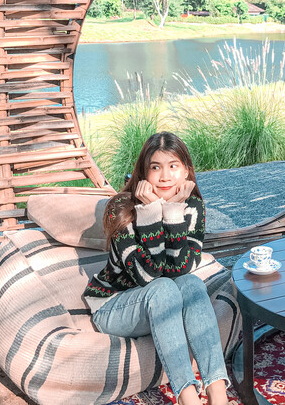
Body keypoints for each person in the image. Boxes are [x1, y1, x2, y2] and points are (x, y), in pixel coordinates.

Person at [84, 132, 229, 405]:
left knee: (192, 284)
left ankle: (218, 393)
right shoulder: (121, 208)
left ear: (186, 171)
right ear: (143, 172)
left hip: (162, 299)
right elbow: (147, 276)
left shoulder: (192, 206)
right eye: (155, 167)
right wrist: (150, 213)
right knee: (162, 288)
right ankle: (188, 398)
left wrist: (173, 211)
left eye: (173, 166)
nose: (165, 177)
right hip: (113, 305)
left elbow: (181, 269)